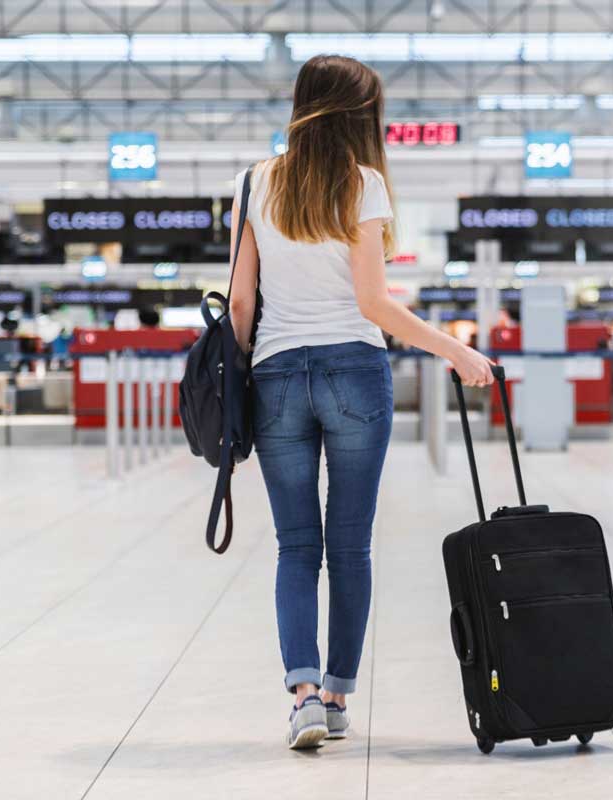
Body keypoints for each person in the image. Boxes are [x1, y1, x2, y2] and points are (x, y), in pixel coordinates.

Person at [226, 54, 494, 750]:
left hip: (278, 374)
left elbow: (241, 301)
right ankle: (340, 696)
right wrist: (455, 349)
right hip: (354, 371)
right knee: (349, 547)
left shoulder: (253, 183)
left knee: (294, 548)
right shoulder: (363, 183)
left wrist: (246, 373)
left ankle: (304, 696)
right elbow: (373, 302)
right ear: (357, 115)